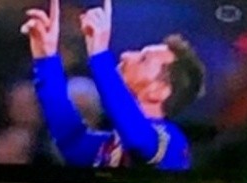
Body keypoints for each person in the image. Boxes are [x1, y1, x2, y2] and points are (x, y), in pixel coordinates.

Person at [20, 0, 206, 169]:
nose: (126, 55)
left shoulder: (173, 143)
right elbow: (70, 140)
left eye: (143, 59)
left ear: (158, 91)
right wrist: (46, 59)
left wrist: (100, 54)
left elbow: (138, 139)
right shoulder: (109, 147)